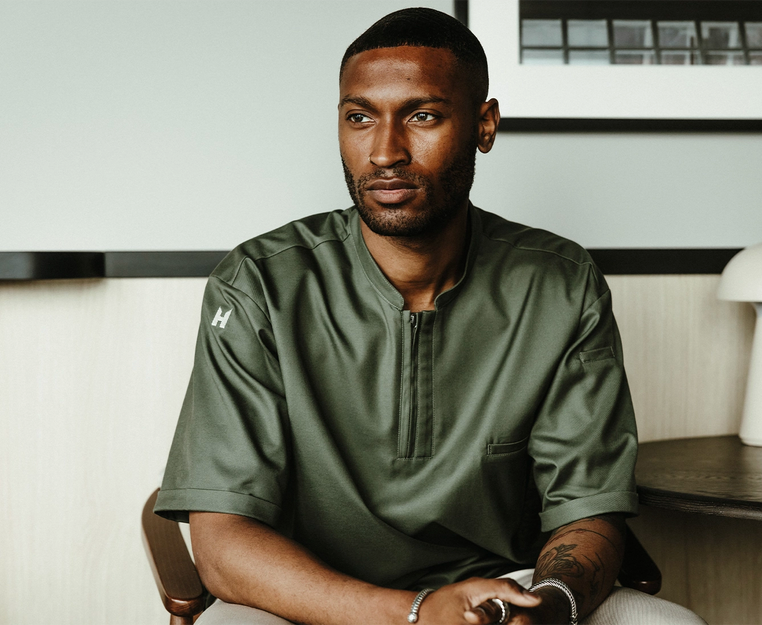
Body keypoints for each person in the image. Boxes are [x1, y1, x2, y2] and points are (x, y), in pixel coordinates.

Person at [155, 8, 706, 625]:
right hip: (310, 596)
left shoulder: (559, 282)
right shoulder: (259, 284)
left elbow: (588, 509)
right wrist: (417, 614)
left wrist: (550, 606)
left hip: (506, 589)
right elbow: (223, 547)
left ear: (484, 126)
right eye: (359, 118)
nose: (385, 152)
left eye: (422, 116)